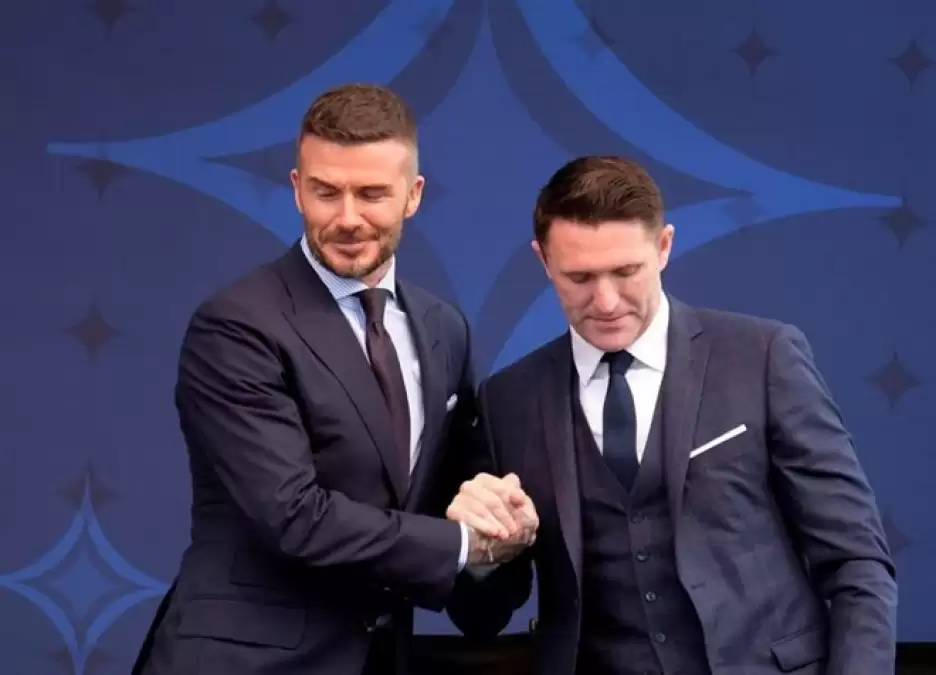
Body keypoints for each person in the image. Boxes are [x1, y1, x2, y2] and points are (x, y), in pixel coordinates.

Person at [131, 83, 529, 675]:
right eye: (326, 192)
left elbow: (460, 489)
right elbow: (293, 517)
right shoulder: (237, 325)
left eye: (372, 194)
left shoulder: (442, 327)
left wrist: (501, 529)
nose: (347, 218)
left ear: (413, 195)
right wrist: (465, 546)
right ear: (297, 188)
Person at [445, 156, 898, 675]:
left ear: (663, 247)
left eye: (626, 272)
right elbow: (481, 616)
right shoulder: (509, 400)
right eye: (580, 277)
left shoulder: (761, 356)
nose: (606, 301)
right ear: (543, 261)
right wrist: (479, 555)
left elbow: (855, 560)